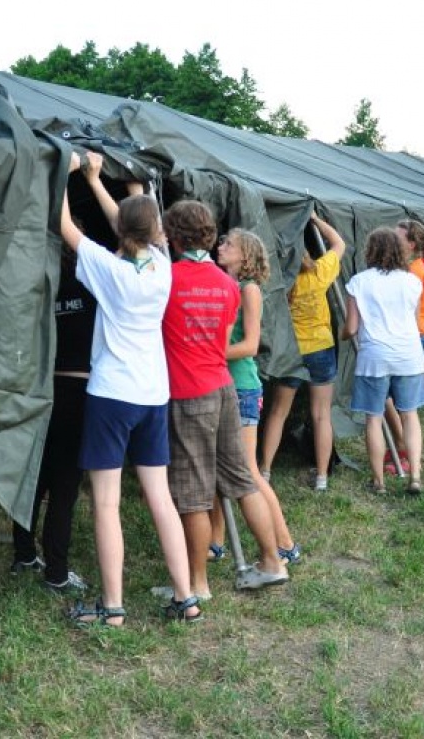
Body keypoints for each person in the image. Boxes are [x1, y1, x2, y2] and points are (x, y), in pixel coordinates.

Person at [58, 153, 199, 626]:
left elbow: (64, 226)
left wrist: (66, 169)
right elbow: (135, 220)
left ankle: (113, 607)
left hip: (111, 395)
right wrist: (103, 182)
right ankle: (187, 598)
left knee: (106, 502)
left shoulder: (108, 269)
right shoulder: (163, 268)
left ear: (122, 233)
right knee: (160, 497)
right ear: (157, 233)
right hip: (152, 395)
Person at [161, 201, 289, 597]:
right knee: (242, 479)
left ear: (174, 237)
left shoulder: (166, 278)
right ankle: (272, 561)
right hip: (225, 388)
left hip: (189, 391)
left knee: (193, 493)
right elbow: (224, 338)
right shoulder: (229, 286)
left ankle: (197, 585)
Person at [206, 228, 301, 566]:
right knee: (216, 469)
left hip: (242, 387)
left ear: (245, 257)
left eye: (228, 244)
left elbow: (250, 345)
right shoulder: (225, 285)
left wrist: (206, 351)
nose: (221, 246)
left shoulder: (249, 290)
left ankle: (285, 545)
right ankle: (215, 542)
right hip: (219, 384)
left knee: (248, 472)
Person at [10, 227, 93, 595]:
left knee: (35, 477)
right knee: (64, 487)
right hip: (78, 388)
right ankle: (56, 573)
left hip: (42, 387)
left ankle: (24, 555)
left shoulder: (40, 287)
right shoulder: (93, 284)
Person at [259, 211, 345, 491]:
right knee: (321, 414)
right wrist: (315, 218)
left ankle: (266, 471)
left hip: (291, 350)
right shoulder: (319, 274)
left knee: (277, 413)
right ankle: (321, 477)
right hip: (321, 348)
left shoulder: (282, 284)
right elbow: (339, 244)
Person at [343, 227, 424, 495]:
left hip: (374, 357)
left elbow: (352, 327)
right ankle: (414, 475)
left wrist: (342, 333)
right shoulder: (412, 282)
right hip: (408, 354)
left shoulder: (359, 282)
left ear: (371, 250)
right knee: (410, 415)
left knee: (373, 418)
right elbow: (415, 323)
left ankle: (378, 481)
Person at [395, 219, 424, 422]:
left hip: (413, 332)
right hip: (420, 329)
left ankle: (410, 414)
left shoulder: (412, 269)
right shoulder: (421, 265)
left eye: (398, 237)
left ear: (411, 244)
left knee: (407, 382)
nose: (393, 240)